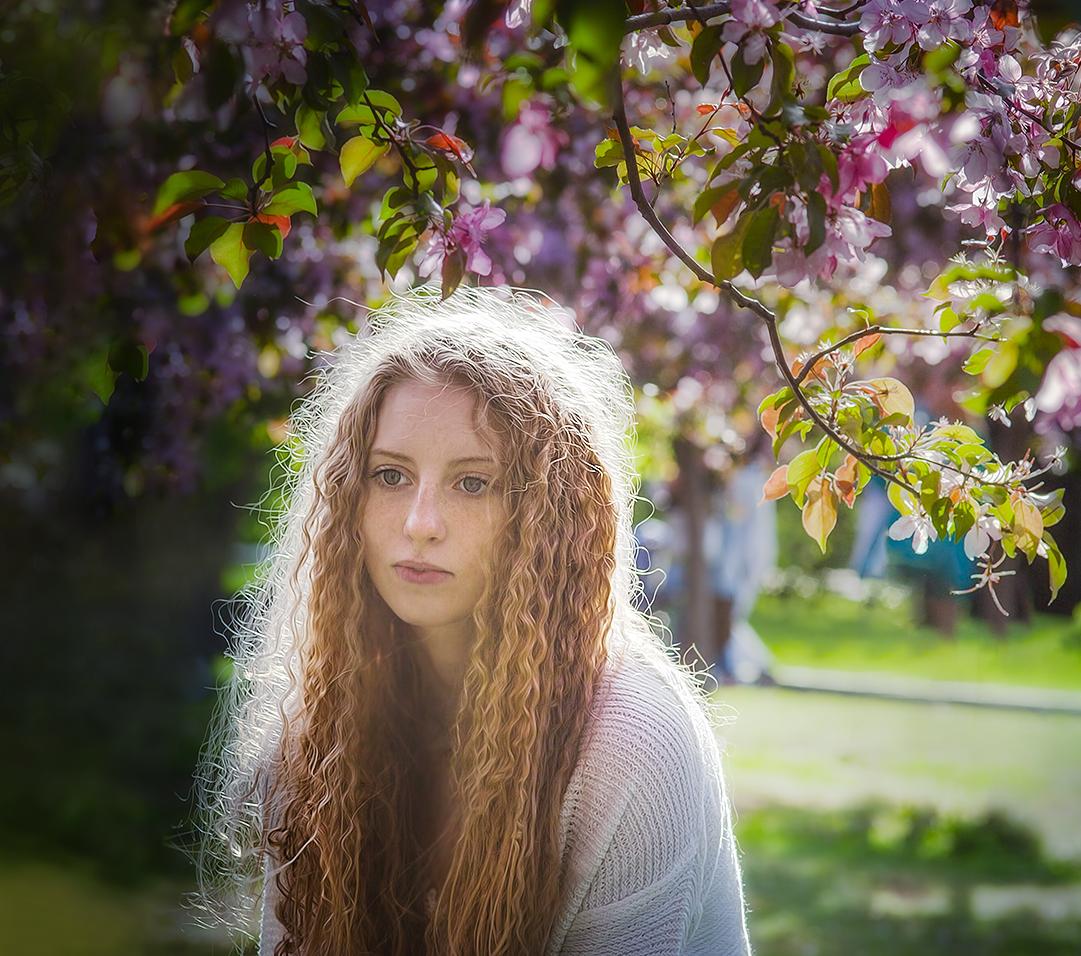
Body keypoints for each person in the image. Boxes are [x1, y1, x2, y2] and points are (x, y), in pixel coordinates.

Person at [195, 286, 751, 956]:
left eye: (472, 483)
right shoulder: (323, 721)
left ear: (549, 515)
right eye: (390, 476)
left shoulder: (631, 740)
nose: (419, 525)